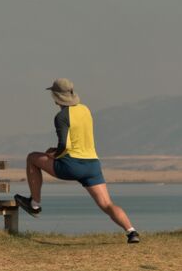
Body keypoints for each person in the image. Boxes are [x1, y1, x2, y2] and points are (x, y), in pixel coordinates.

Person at [14, 78, 140, 243]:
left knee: (32, 158)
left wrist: (54, 154)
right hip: (92, 165)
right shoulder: (85, 110)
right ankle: (132, 232)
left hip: (71, 165)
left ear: (55, 96)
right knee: (107, 204)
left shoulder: (61, 116)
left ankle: (34, 204)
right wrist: (58, 151)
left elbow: (64, 144)